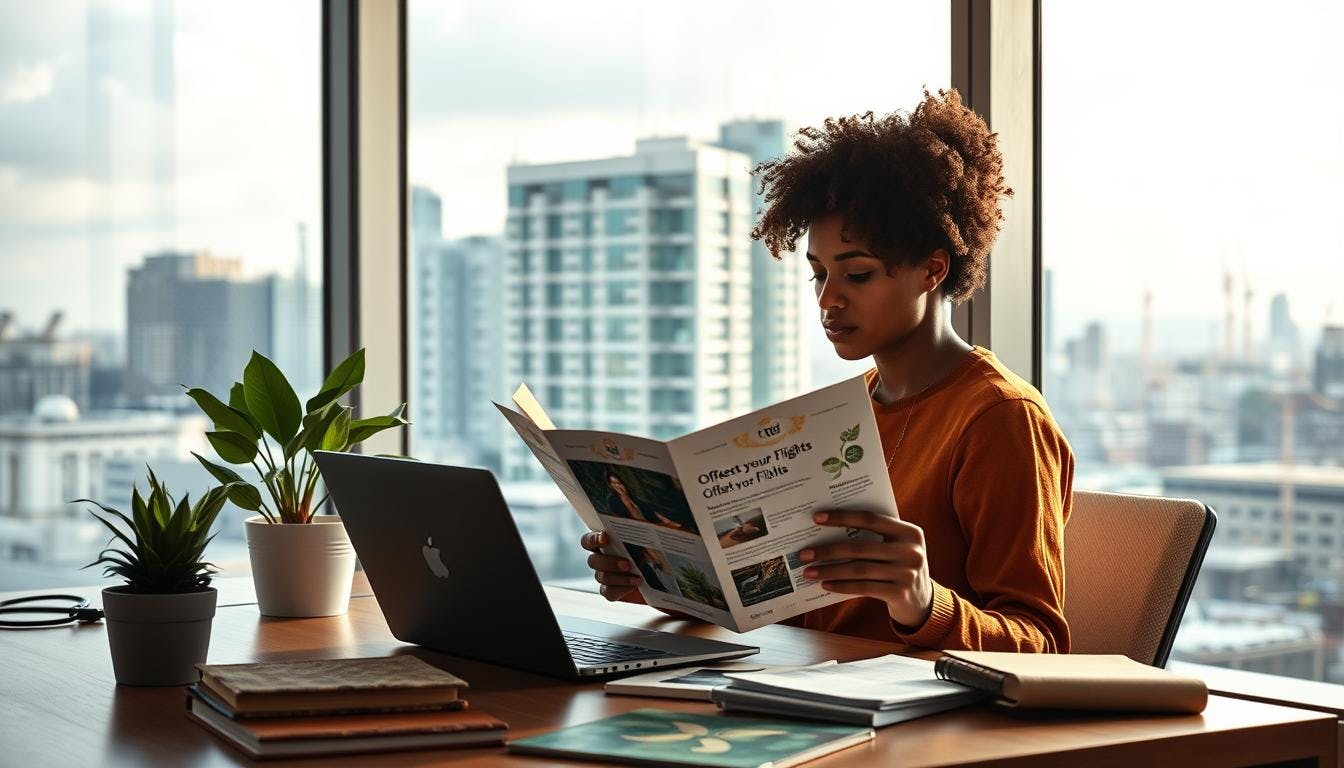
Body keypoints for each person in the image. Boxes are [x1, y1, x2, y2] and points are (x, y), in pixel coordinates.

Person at [581, 88, 1073, 653]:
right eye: (818, 274)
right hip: (811, 692)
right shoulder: (849, 410)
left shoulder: (1000, 420)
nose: (827, 301)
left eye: (857, 275)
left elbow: (1040, 643)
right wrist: (664, 583)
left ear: (932, 270)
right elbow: (809, 616)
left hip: (925, 726)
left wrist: (921, 602)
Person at [604, 470, 687, 531]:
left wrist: (667, 521)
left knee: (679, 526)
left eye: (619, 483)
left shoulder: (633, 497)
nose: (618, 486)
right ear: (610, 486)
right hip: (639, 531)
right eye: (614, 484)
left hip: (652, 525)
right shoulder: (613, 500)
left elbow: (652, 511)